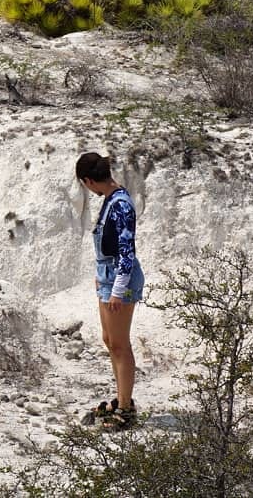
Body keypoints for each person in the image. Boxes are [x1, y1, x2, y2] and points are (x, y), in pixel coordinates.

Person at [76, 151, 143, 429]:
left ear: (89, 180)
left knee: (119, 344)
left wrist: (117, 290)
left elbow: (127, 253)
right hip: (107, 277)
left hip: (119, 280)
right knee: (109, 339)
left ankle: (126, 409)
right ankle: (122, 398)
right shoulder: (110, 200)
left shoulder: (121, 205)